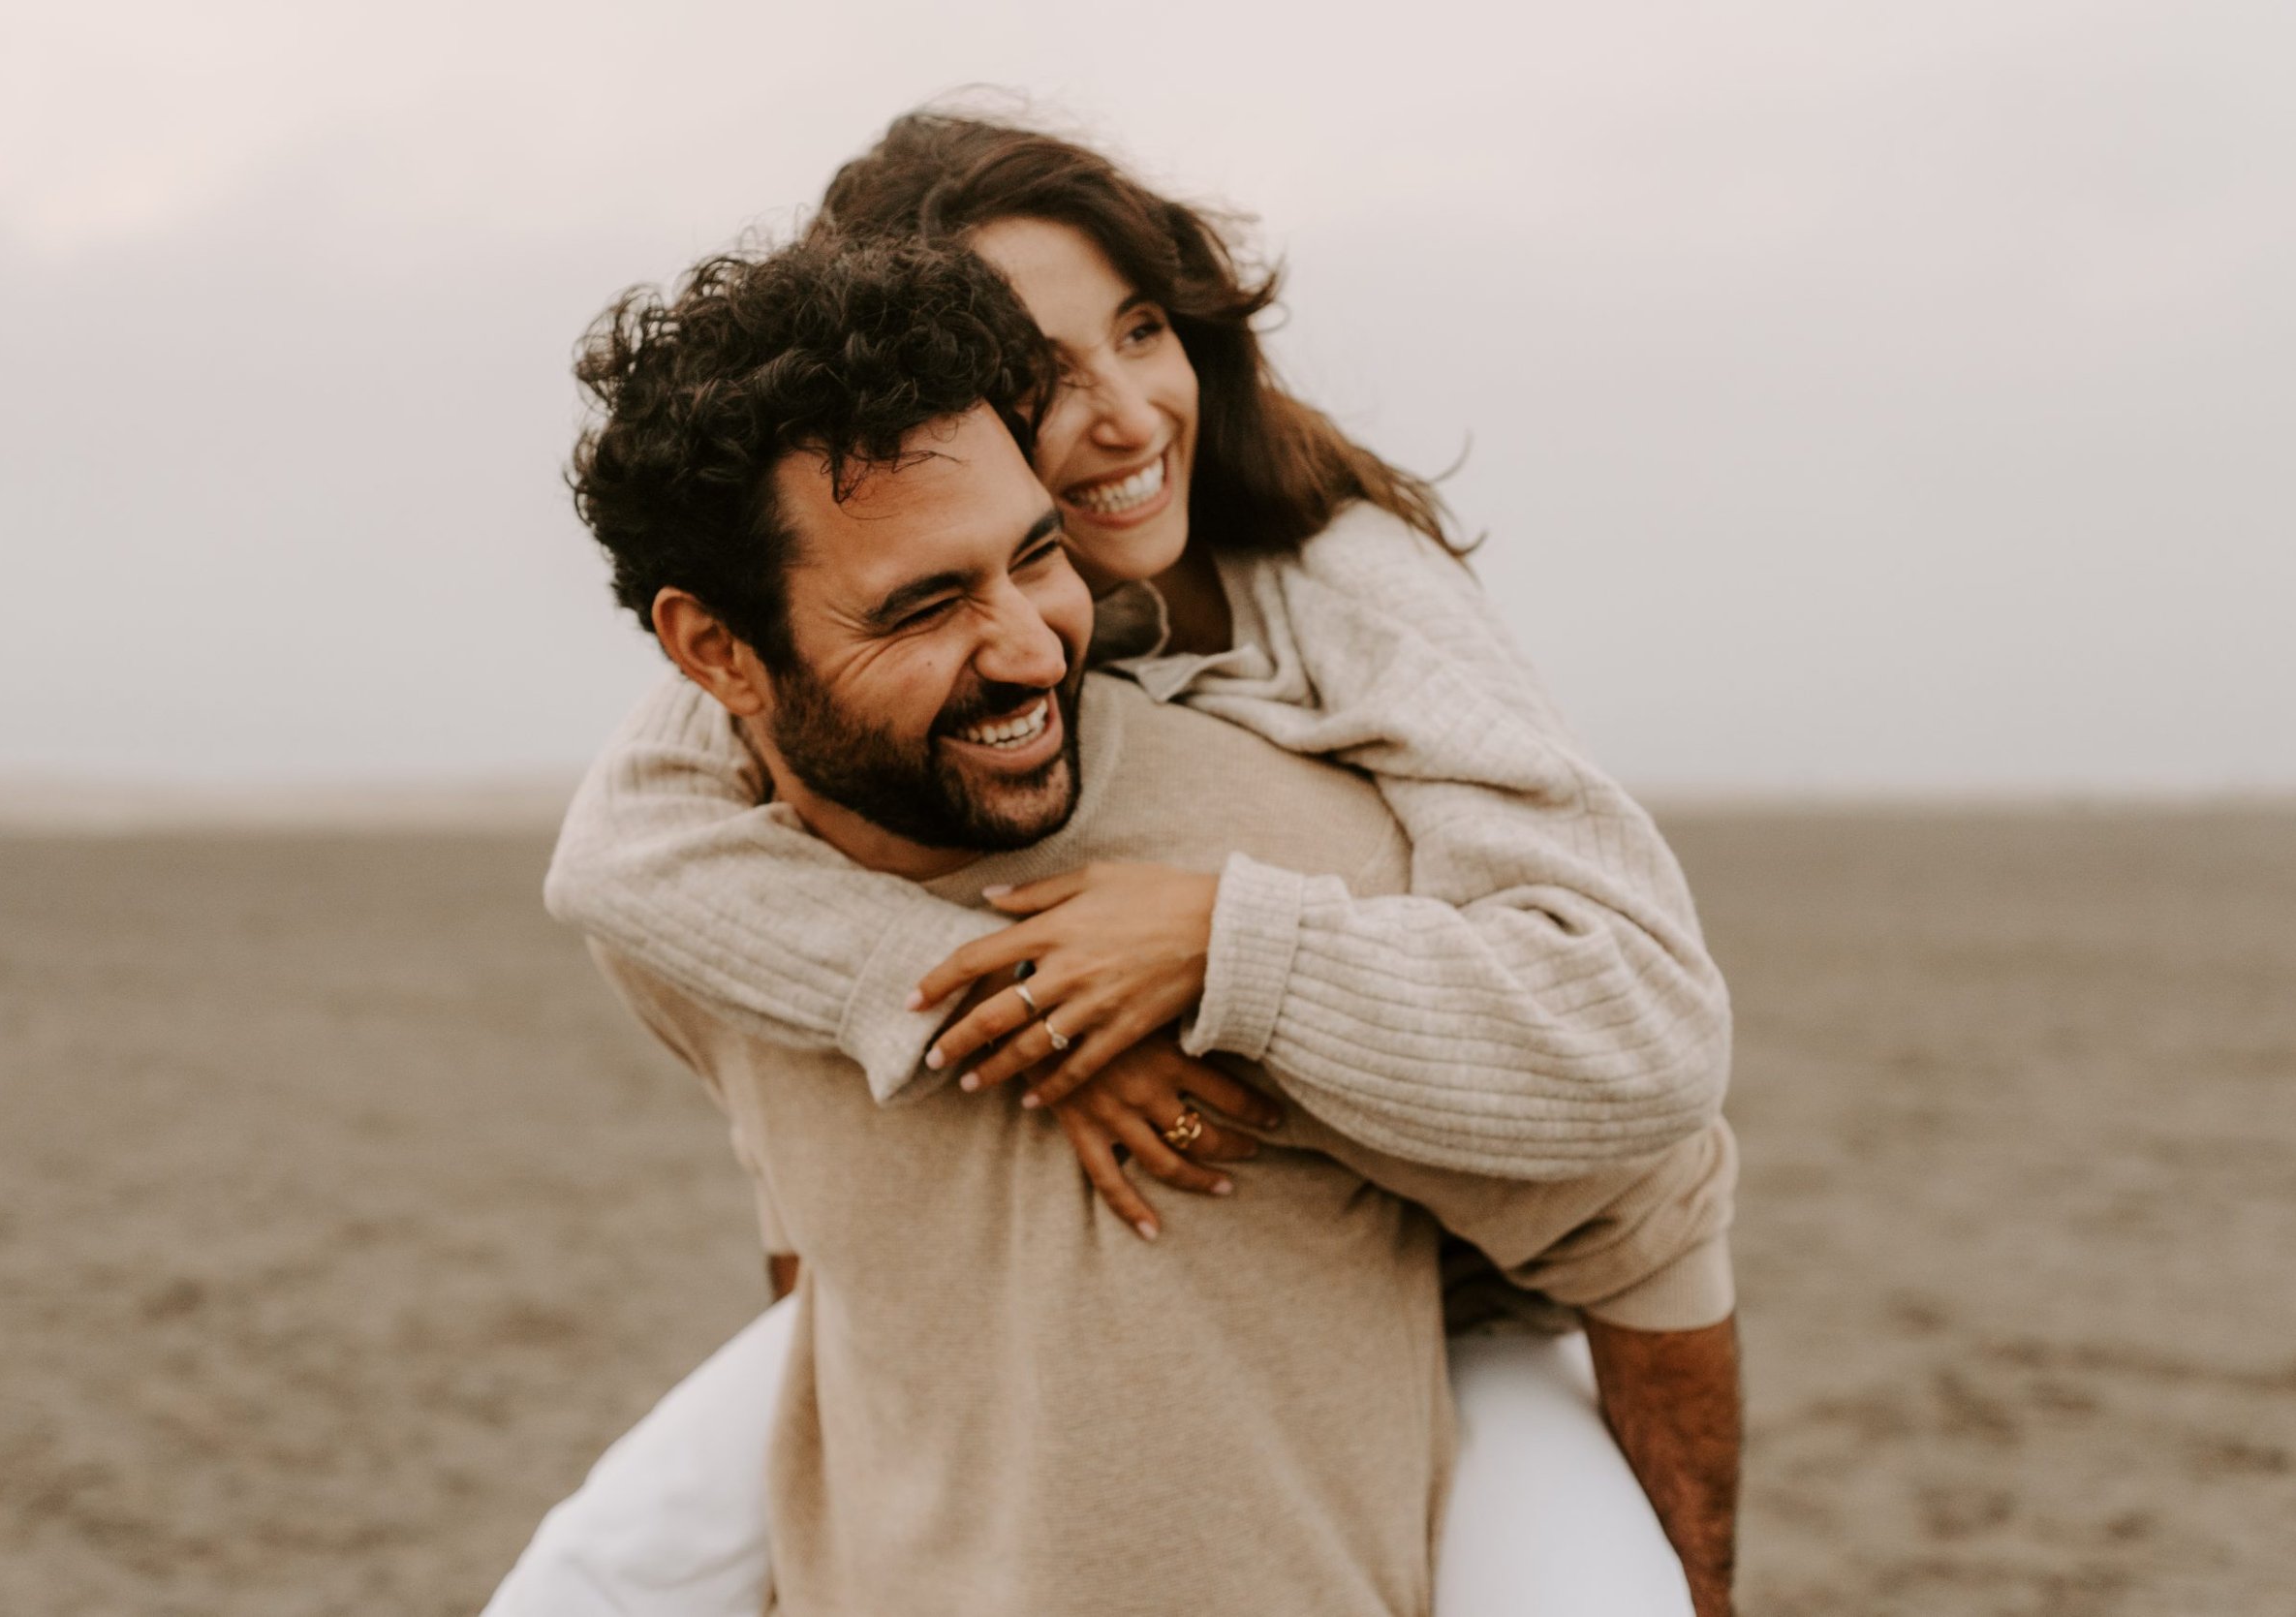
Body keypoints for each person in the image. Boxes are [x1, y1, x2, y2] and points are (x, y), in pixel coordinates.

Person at [489, 219, 1738, 1615]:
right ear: (715, 652)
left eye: (1036, 555)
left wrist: (1693, 1584)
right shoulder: (693, 911)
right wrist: (979, 1012)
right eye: (923, 606)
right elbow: (818, 1220)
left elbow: (1651, 1210)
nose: (1030, 644)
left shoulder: (1295, 838)